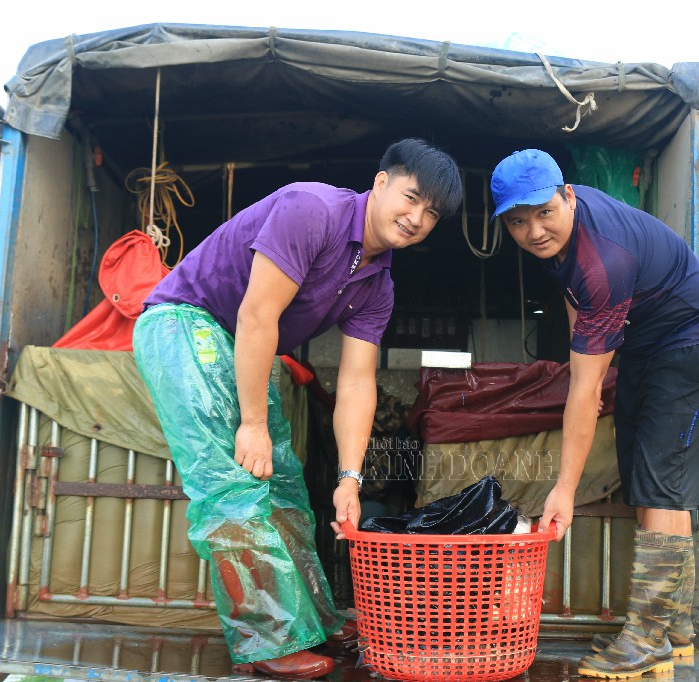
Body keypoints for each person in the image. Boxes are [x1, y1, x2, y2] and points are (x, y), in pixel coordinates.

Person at [133, 138, 463, 680]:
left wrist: (350, 479)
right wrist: (253, 423)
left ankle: (312, 618)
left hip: (237, 344)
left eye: (431, 214)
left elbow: (357, 382)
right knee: (233, 483)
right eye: (411, 198)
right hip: (185, 322)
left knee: (284, 482)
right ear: (380, 183)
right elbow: (258, 316)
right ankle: (269, 641)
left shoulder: (378, 284)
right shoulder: (312, 210)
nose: (416, 219)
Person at [490, 149, 699, 679]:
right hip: (648, 346)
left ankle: (646, 639)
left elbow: (585, 387)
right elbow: (577, 307)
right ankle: (678, 633)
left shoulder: (604, 260)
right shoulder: (568, 240)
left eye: (542, 213)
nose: (533, 231)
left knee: (661, 485)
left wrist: (564, 490)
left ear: (568, 196)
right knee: (644, 476)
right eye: (517, 221)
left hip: (694, 341)